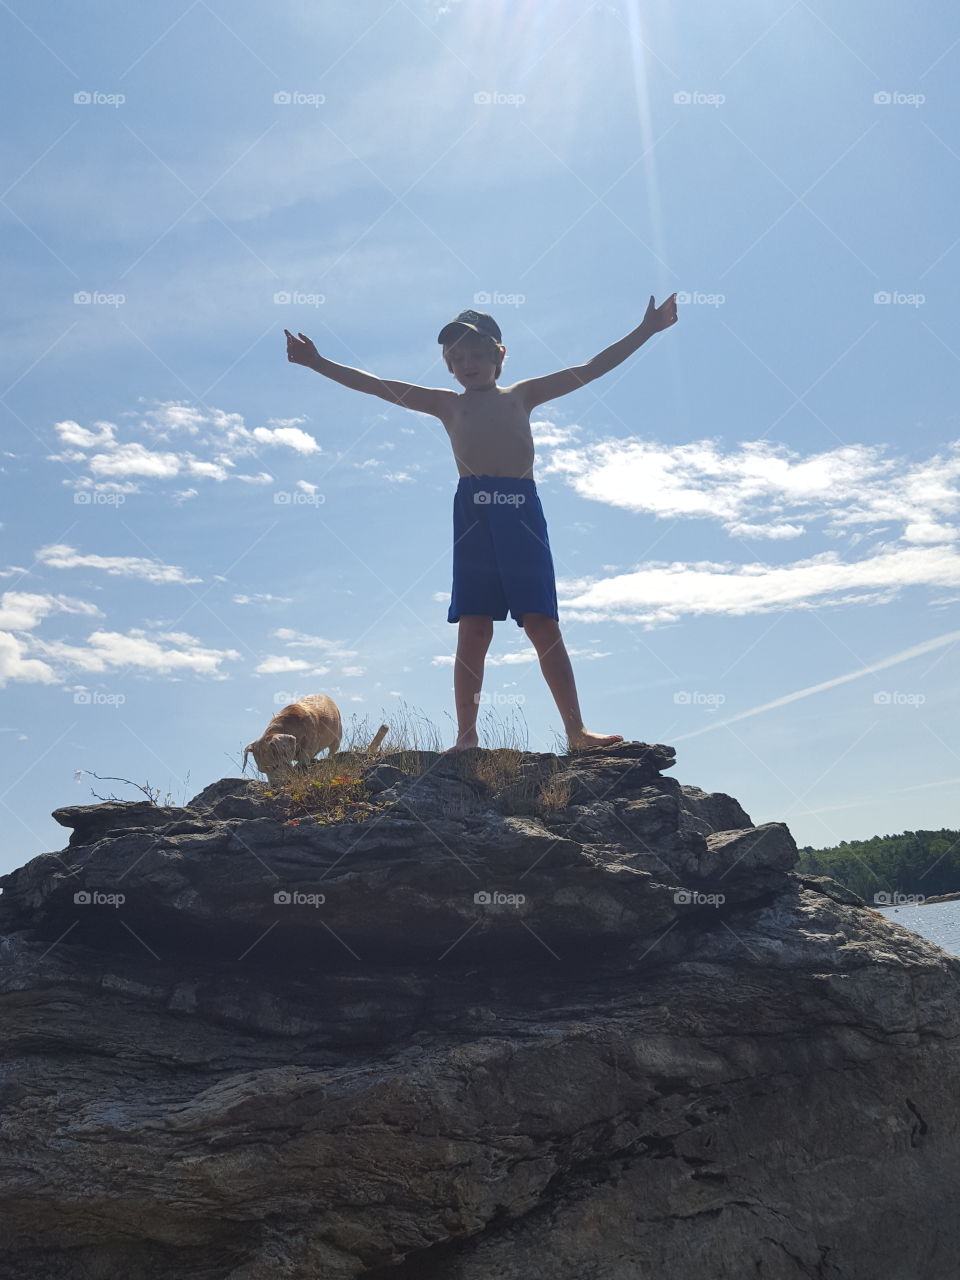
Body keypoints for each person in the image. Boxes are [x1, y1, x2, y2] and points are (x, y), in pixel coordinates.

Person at [284, 293, 678, 753]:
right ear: (448, 367)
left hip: (521, 512)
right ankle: (466, 737)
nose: (466, 363)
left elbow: (590, 368)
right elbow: (377, 385)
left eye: (476, 354)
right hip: (474, 514)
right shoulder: (446, 404)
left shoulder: (524, 395)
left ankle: (577, 732)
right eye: (456, 358)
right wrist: (317, 362)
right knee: (473, 628)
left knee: (542, 623)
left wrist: (646, 330)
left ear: (499, 356)